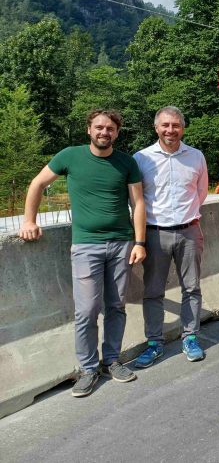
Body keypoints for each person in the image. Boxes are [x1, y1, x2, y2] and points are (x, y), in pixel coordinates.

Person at [19, 109, 146, 397]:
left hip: (121, 244)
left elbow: (138, 203)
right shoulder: (69, 156)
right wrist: (29, 220)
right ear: (89, 129)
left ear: (117, 132)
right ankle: (88, 369)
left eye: (110, 129)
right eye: (99, 127)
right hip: (86, 245)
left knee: (116, 306)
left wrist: (140, 242)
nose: (104, 132)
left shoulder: (126, 162)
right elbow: (38, 183)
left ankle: (112, 360)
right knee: (87, 310)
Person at [133, 107, 208, 368]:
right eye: (165, 125)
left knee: (192, 287)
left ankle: (191, 337)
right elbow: (136, 200)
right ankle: (155, 342)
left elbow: (201, 193)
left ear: (182, 128)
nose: (170, 130)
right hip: (155, 234)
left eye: (175, 125)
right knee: (153, 291)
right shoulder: (141, 159)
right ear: (156, 128)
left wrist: (187, 219)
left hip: (189, 231)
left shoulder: (196, 157)